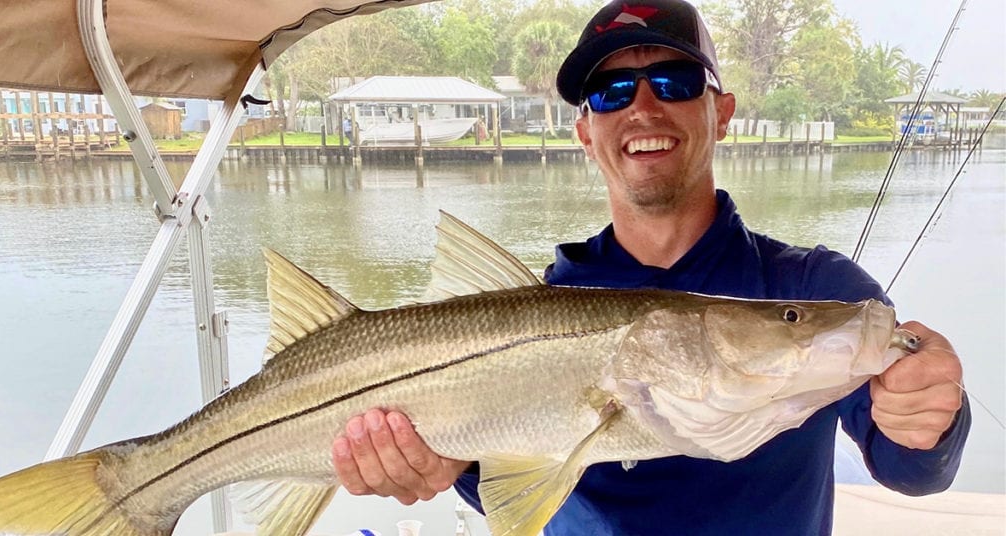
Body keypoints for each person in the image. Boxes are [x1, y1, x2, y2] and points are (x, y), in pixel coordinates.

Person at [330, 0, 971, 533]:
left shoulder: (815, 289)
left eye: (675, 82)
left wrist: (935, 413)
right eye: (610, 92)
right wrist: (441, 465)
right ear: (585, 132)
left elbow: (912, 470)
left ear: (721, 112)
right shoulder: (536, 305)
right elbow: (512, 494)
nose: (642, 107)